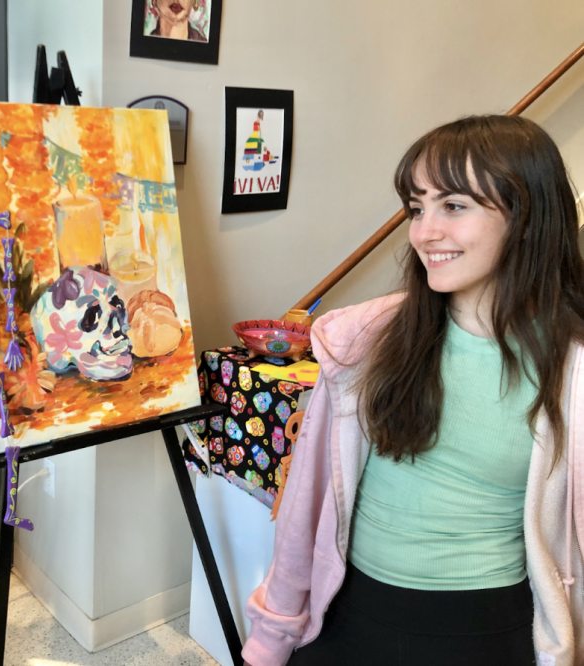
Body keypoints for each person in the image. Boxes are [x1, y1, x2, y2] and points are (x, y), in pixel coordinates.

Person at [242, 115, 584, 666]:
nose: (425, 232)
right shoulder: (365, 339)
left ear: (525, 216)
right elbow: (307, 503)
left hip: (484, 627)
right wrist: (273, 633)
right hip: (350, 610)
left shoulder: (572, 374)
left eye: (454, 206)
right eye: (417, 208)